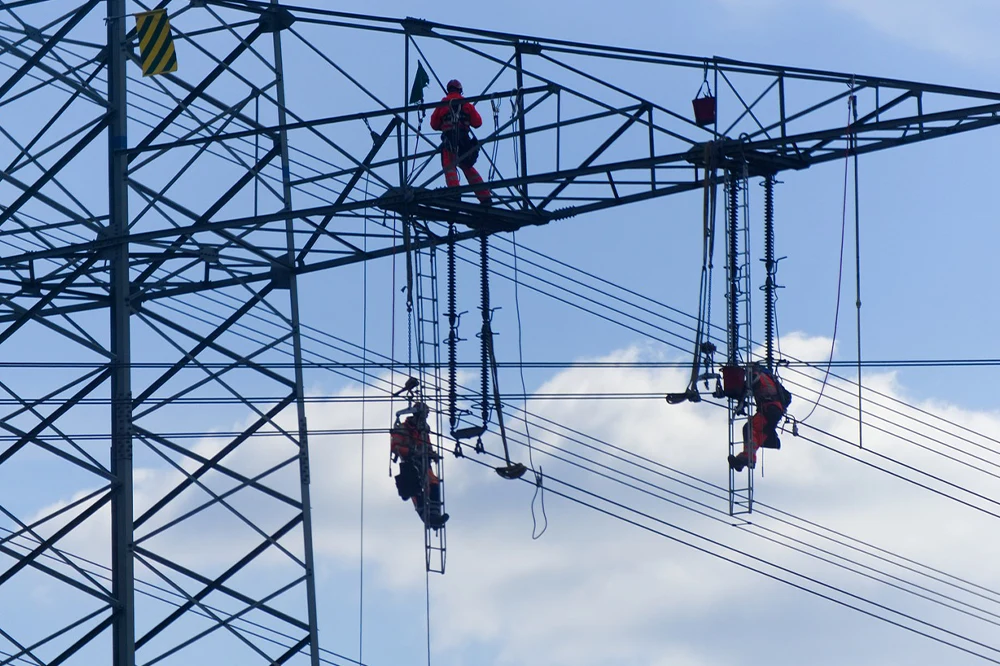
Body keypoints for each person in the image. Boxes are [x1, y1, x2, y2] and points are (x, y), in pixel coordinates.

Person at [429, 79, 492, 205]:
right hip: (464, 142)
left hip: (450, 141)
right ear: (460, 90)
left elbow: (434, 124)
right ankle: (485, 197)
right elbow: (477, 123)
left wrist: (445, 121)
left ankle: (454, 193)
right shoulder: (466, 104)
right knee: (467, 167)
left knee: (449, 167)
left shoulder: (443, 103)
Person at [390, 402, 449, 528]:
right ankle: (426, 516)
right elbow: (395, 447)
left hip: (423, 462)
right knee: (415, 487)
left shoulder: (423, 431)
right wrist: (410, 451)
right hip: (410, 463)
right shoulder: (403, 429)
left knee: (433, 482)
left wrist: (432, 454)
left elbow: (427, 446)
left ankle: (435, 514)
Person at [728, 363, 792, 472]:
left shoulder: (756, 375)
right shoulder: (770, 379)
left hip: (769, 409)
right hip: (774, 410)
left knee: (749, 428)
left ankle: (748, 458)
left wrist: (740, 402)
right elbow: (787, 397)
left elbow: (746, 389)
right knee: (758, 431)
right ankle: (744, 459)